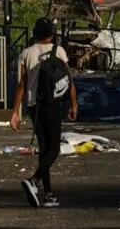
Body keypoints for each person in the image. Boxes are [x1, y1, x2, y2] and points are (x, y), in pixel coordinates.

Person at [10, 17, 78, 208]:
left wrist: (15, 111)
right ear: (51, 34)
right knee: (54, 149)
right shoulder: (60, 51)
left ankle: (48, 194)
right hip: (53, 104)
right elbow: (68, 79)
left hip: (34, 106)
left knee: (44, 147)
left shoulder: (25, 54)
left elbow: (21, 85)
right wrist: (74, 103)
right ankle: (34, 181)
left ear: (35, 34)